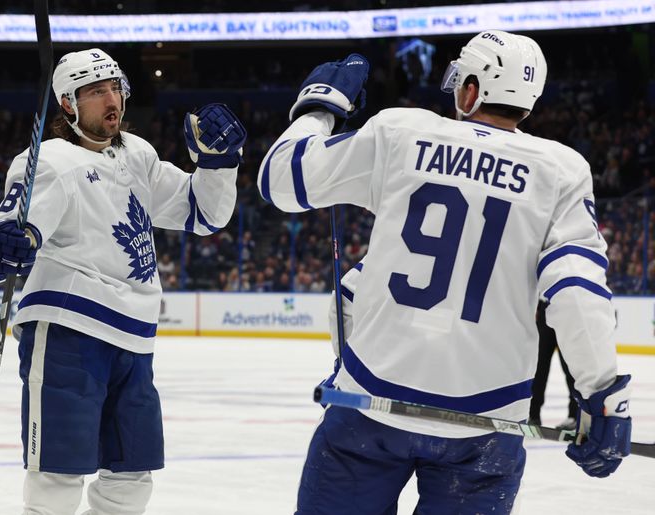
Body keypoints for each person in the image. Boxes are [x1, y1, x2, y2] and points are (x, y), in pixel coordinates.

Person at [258, 31, 631, 515]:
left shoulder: (401, 131)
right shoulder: (561, 169)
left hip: (370, 404)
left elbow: (281, 181)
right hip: (487, 424)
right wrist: (601, 394)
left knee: (361, 276)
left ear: (471, 90)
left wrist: (318, 109)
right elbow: (577, 291)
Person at [0, 48, 246, 515]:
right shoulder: (50, 160)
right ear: (69, 104)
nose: (112, 99)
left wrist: (219, 164)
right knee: (56, 478)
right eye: (96, 91)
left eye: (116, 87)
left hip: (134, 339)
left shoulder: (137, 155)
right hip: (67, 331)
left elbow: (204, 212)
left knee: (131, 478)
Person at [529, 300, 579, 429]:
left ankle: (574, 415)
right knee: (539, 368)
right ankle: (533, 415)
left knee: (571, 370)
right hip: (545, 313)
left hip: (567, 315)